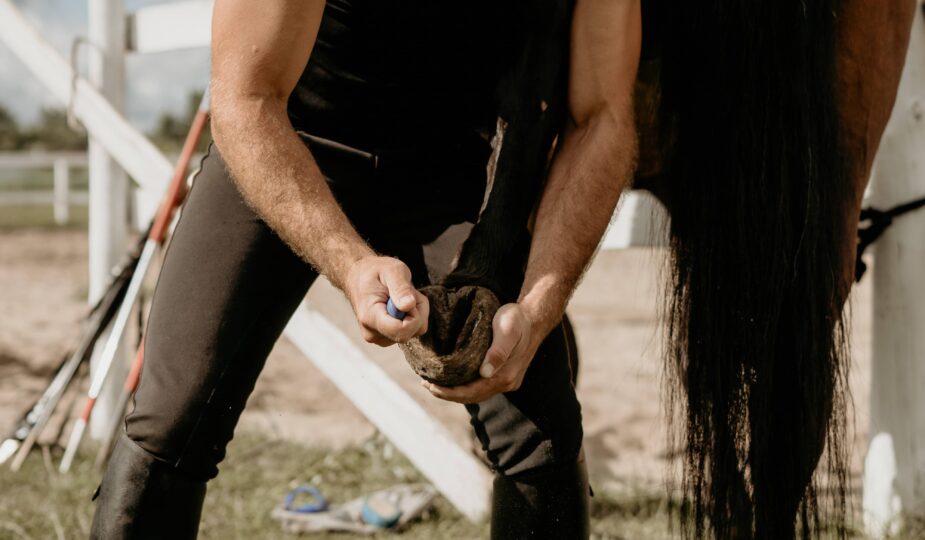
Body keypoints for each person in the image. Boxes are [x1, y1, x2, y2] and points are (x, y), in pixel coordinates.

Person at [90, 0, 641, 538]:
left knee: (539, 433)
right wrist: (352, 264)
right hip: (291, 139)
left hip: (453, 168)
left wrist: (541, 305)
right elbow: (246, 97)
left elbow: (601, 116)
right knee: (172, 421)